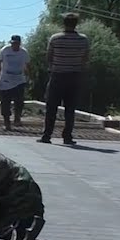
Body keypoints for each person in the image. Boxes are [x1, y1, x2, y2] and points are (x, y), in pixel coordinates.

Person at [40, 12, 91, 145]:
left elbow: (49, 57)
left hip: (57, 75)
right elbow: (85, 59)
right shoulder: (83, 40)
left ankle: (47, 135)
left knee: (51, 107)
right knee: (70, 108)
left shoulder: (55, 39)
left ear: (63, 23)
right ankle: (67, 136)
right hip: (74, 76)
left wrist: (54, 67)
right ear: (76, 24)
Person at [0, 35, 30, 130]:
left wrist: (29, 77)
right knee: (5, 103)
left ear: (20, 43)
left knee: (19, 102)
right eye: (13, 43)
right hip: (5, 80)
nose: (15, 45)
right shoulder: (5, 50)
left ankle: (17, 118)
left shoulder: (24, 52)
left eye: (17, 43)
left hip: (19, 80)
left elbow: (28, 66)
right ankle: (7, 122)